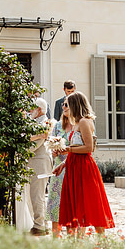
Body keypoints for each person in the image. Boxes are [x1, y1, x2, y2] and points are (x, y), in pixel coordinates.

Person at [56, 91, 114, 237]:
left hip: (83, 167)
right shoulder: (78, 122)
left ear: (75, 105)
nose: (66, 107)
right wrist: (63, 164)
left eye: (68, 104)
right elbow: (76, 147)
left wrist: (68, 149)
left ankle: (101, 240)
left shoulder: (84, 122)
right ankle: (76, 241)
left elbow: (89, 148)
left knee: (90, 202)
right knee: (75, 204)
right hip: (73, 165)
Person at [46, 100, 75, 236]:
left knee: (70, 203)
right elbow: (51, 143)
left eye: (66, 105)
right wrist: (54, 150)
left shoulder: (78, 126)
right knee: (55, 201)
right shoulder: (58, 125)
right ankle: (55, 236)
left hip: (72, 166)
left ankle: (71, 236)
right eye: (63, 104)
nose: (63, 107)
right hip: (58, 167)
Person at [27, 97, 53, 236]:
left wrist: (19, 148)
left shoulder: (44, 123)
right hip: (37, 162)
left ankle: (39, 226)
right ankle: (42, 223)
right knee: (38, 195)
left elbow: (32, 147)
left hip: (40, 162)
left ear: (39, 109)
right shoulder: (36, 122)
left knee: (37, 195)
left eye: (32, 108)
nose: (29, 111)